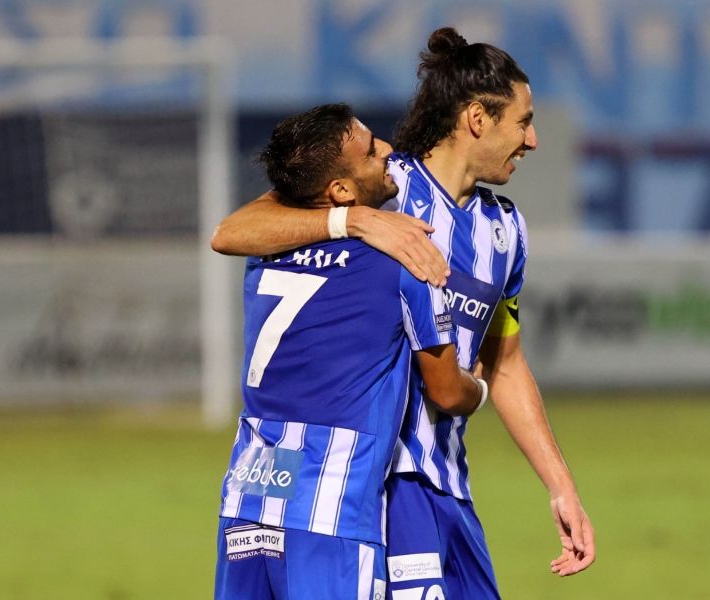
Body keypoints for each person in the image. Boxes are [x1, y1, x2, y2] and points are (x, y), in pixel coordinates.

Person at [212, 28, 596, 598]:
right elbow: (235, 229)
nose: (533, 140)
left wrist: (560, 485)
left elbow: (506, 363)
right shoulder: (383, 187)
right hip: (385, 488)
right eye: (523, 122)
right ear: (477, 119)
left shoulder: (506, 230)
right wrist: (355, 219)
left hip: (450, 485)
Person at [215, 103, 486, 600]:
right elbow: (447, 391)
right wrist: (479, 387)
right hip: (330, 506)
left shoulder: (265, 249)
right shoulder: (406, 259)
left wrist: (351, 219)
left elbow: (233, 229)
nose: (388, 151)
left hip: (248, 493)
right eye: (371, 150)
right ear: (340, 191)